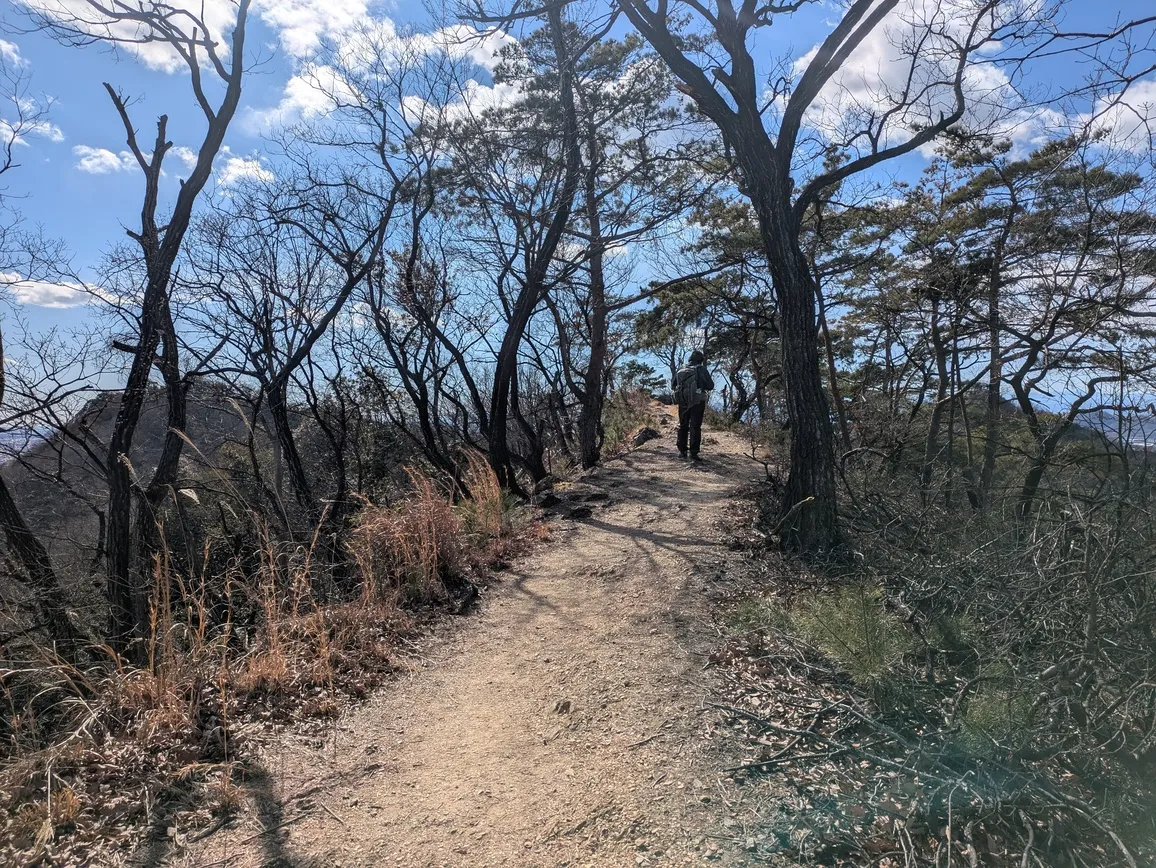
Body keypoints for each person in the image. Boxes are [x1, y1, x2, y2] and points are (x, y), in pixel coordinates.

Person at [671, 350, 714, 462]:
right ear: (701, 360)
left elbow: (673, 385)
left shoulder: (681, 369)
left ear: (690, 359)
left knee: (683, 425)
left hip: (683, 401)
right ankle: (694, 453)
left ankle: (682, 451)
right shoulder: (701, 369)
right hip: (697, 401)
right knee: (695, 426)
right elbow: (710, 386)